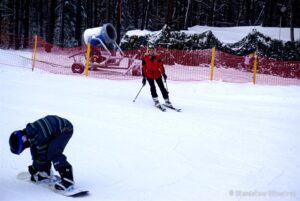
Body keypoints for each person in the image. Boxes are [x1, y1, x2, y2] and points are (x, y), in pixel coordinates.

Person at [9, 115, 74, 191]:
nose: (25, 148)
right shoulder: (30, 133)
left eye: (24, 147)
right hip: (55, 128)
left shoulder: (38, 137)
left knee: (53, 152)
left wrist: (35, 167)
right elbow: (35, 150)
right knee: (40, 149)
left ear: (24, 142)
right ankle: (45, 173)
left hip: (65, 128)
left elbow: (43, 154)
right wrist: (35, 167)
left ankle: (68, 180)